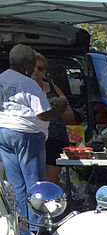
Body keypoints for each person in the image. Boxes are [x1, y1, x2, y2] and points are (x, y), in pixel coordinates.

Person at [0, 43, 68, 224]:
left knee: (17, 185)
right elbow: (43, 114)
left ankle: (24, 228)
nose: (33, 69)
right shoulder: (27, 83)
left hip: (4, 132)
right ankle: (38, 227)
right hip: (27, 134)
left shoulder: (1, 78)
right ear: (25, 64)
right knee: (35, 184)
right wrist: (60, 108)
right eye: (32, 64)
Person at [34, 52, 76, 183]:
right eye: (33, 67)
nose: (36, 71)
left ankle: (51, 202)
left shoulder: (52, 88)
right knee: (34, 178)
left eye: (40, 68)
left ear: (45, 71)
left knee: (51, 179)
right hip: (32, 138)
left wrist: (56, 110)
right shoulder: (22, 88)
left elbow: (70, 115)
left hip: (54, 139)